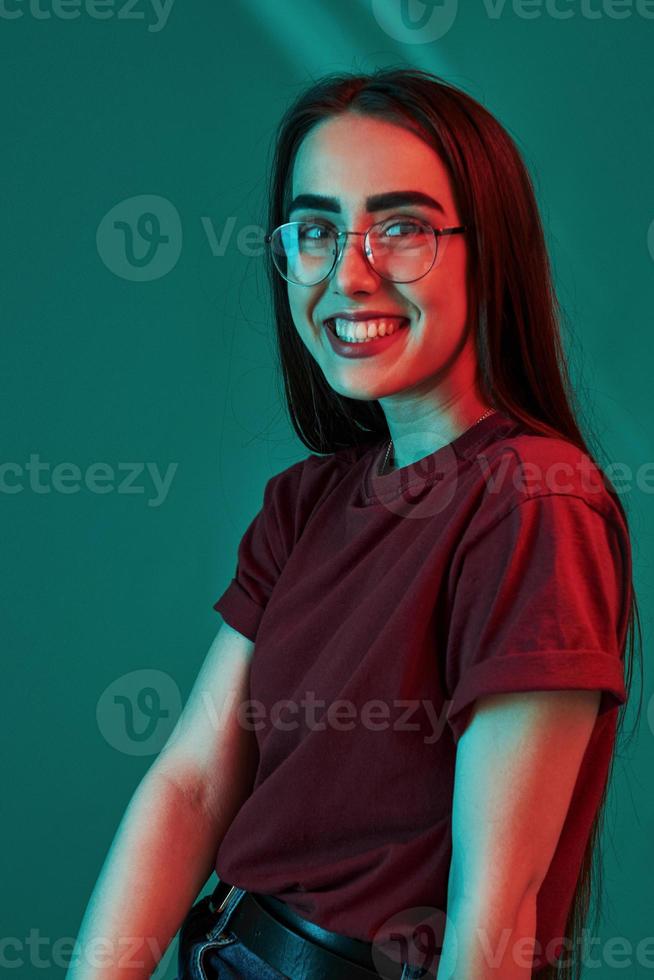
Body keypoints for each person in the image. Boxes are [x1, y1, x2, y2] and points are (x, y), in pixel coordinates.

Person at [67, 68, 642, 980]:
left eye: (402, 228)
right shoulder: (304, 503)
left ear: (488, 252)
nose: (349, 274)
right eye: (317, 231)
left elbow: (494, 912)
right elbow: (191, 783)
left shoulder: (535, 504)